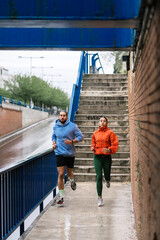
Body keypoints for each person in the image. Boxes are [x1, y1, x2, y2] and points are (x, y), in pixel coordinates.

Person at [52, 111, 83, 206]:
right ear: (59, 116)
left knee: (69, 173)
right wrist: (54, 143)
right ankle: (60, 196)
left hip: (70, 154)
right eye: (61, 115)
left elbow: (81, 137)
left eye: (64, 115)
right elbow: (53, 135)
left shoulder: (72, 126)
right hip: (59, 153)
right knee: (61, 174)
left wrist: (72, 141)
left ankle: (72, 181)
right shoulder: (55, 126)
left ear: (66, 117)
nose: (62, 117)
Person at [90, 116, 119, 207]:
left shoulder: (110, 133)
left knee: (107, 174)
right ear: (99, 122)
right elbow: (93, 143)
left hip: (106, 157)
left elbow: (115, 144)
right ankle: (100, 198)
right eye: (101, 121)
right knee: (99, 176)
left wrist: (109, 150)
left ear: (107, 123)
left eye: (104, 121)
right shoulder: (95, 133)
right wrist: (92, 147)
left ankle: (107, 179)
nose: (102, 122)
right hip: (97, 157)